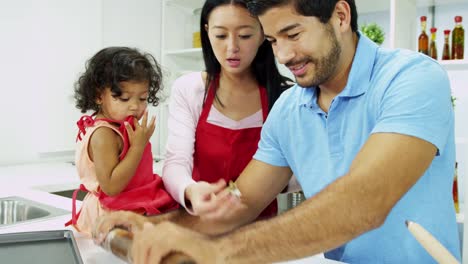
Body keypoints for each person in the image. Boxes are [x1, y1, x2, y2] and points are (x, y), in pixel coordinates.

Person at [94, 0, 460, 263]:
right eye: (272, 40)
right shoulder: (290, 108)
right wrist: (154, 226)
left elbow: (365, 201)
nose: (283, 55)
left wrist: (222, 251)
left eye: (293, 33)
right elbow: (242, 202)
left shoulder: (411, 78)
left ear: (341, 16)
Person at [161, 0, 291, 219]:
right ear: (207, 32)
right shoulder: (190, 89)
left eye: (245, 36)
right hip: (197, 222)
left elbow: (295, 172)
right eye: (221, 35)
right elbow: (176, 161)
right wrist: (190, 190)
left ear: (262, 34)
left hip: (260, 228)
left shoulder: (286, 97)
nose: (232, 47)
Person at [67, 47, 178, 236]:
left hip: (130, 207)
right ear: (98, 95)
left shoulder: (122, 127)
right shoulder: (104, 134)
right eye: (124, 98)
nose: (135, 106)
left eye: (143, 98)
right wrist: (138, 146)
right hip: (109, 216)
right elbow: (111, 187)